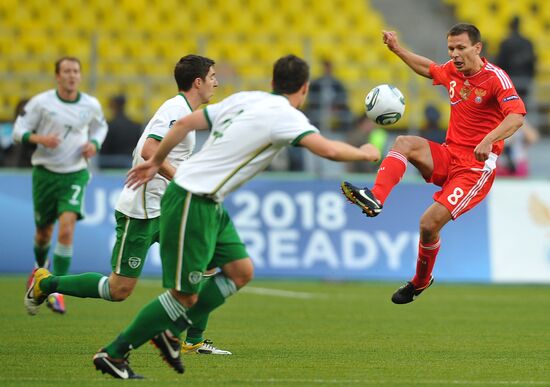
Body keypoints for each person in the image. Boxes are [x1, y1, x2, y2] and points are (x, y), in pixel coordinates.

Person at [25, 54, 380, 379]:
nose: (216, 82)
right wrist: (365, 154)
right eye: (211, 76)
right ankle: (108, 340)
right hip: (164, 205)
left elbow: (183, 127)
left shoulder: (245, 98)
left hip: (201, 201)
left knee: (238, 270)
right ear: (304, 88)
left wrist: (156, 163)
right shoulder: (284, 116)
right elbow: (330, 150)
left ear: (272, 82)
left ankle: (186, 335)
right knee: (130, 290)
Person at [24, 55, 231, 356]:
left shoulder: (186, 112)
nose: (216, 81)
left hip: (169, 209)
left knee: (209, 261)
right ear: (197, 82)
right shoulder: (175, 109)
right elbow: (149, 149)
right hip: (143, 212)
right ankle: (47, 282)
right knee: (118, 290)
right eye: (212, 76)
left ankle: (194, 339)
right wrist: (180, 181)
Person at [341, 24, 526, 304]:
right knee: (404, 142)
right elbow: (429, 68)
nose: (454, 54)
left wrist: (489, 139)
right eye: (451, 48)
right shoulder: (453, 70)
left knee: (428, 225)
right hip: (449, 155)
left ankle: (420, 281)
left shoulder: (495, 79)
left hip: (475, 170)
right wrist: (397, 49)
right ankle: (376, 197)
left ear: (477, 48)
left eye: (461, 48)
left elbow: (516, 117)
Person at [15, 56, 108, 314]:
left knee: (66, 228)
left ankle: (56, 290)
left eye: (76, 71)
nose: (72, 75)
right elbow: (17, 131)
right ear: (57, 76)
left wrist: (94, 144)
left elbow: (101, 128)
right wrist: (40, 138)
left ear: (80, 75)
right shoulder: (42, 103)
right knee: (44, 232)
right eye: (66, 71)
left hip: (75, 173)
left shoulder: (90, 104)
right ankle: (39, 267)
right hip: (45, 174)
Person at [99, 94, 142, 169]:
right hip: (131, 166)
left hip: (109, 167)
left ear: (113, 105)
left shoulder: (108, 126)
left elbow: (103, 150)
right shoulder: (136, 126)